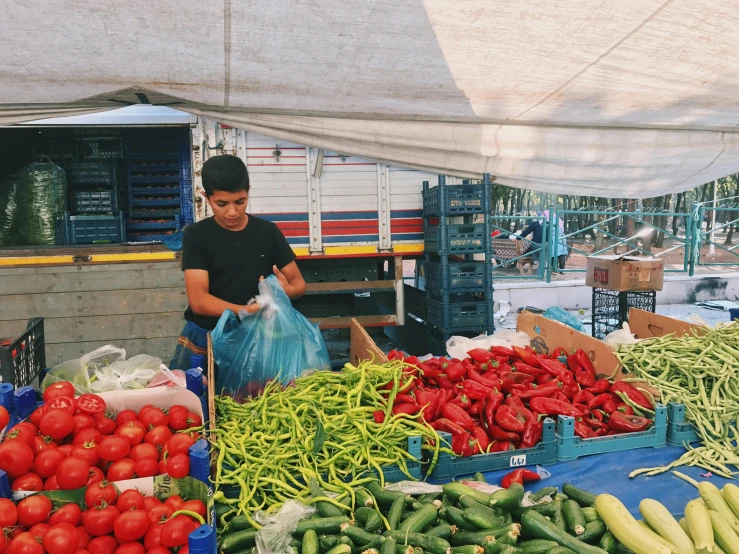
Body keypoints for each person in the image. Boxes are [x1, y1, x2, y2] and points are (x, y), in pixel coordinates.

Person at [170, 155, 307, 370]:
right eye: (221, 204)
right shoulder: (197, 235)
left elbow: (298, 283)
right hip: (206, 337)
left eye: (240, 201)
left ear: (248, 192)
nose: (232, 212)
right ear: (206, 197)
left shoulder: (267, 232)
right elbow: (199, 300)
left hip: (259, 337)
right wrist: (245, 310)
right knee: (197, 399)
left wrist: (284, 292)